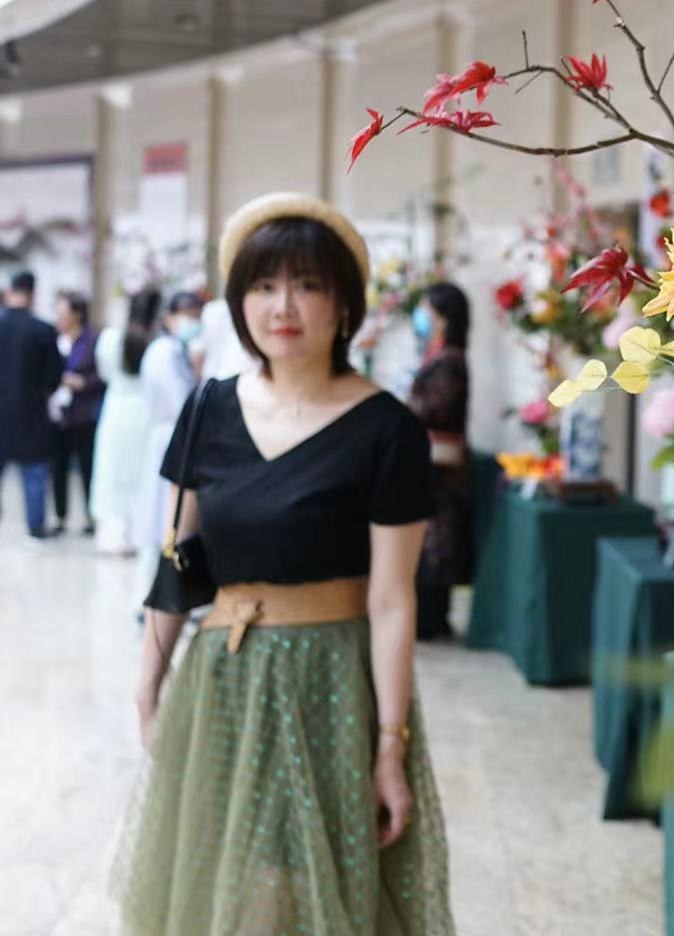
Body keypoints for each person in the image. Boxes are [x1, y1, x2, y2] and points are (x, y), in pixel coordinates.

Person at [115, 192, 453, 934]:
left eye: (306, 284)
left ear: (343, 303)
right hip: (223, 678)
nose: (283, 306)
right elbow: (177, 563)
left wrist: (389, 746)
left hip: (331, 680)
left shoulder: (387, 428)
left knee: (315, 886)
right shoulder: (207, 411)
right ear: (239, 305)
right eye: (263, 287)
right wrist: (148, 683)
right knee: (226, 883)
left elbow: (394, 600)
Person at [406, 283, 473, 641]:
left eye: (426, 309)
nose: (421, 316)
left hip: (442, 469)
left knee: (438, 543)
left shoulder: (450, 361)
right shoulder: (437, 356)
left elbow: (437, 408)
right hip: (431, 465)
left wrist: (402, 409)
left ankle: (432, 617)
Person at [131, 291, 203, 590]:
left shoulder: (171, 349)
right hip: (171, 435)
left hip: (169, 434)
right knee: (164, 519)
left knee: (163, 518)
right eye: (185, 313)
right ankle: (151, 593)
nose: (191, 321)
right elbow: (179, 400)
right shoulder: (167, 352)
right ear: (168, 316)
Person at [90, 289, 161, 557]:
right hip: (145, 411)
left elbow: (104, 372)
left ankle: (112, 535)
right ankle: (138, 533)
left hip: (117, 408)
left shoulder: (110, 338)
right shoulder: (156, 340)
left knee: (112, 470)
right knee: (140, 471)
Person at [0, 271, 64, 542]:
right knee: (34, 472)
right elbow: (54, 376)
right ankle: (35, 528)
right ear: (33, 293)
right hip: (32, 412)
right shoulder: (43, 330)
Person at [50, 290, 105, 536]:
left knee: (87, 467)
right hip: (58, 412)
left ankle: (91, 516)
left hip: (84, 413)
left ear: (77, 314)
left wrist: (82, 382)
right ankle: (60, 516)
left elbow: (103, 375)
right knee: (57, 466)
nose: (59, 318)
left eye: (64, 313)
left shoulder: (92, 340)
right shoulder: (52, 338)